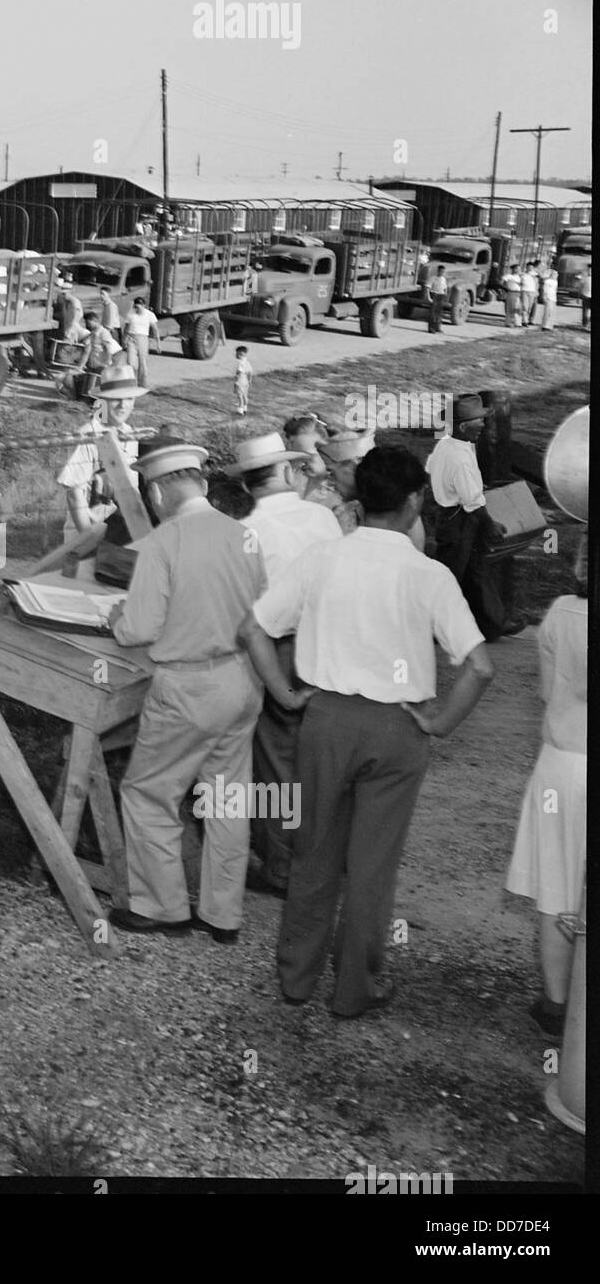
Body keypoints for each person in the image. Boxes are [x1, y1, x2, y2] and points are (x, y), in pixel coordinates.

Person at [239, 446, 494, 1017]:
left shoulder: (322, 559)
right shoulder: (428, 575)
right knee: (373, 865)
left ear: (361, 500)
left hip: (325, 719)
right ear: (411, 503)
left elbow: (253, 629)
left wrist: (284, 694)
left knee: (313, 853)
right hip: (397, 727)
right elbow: (479, 666)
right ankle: (356, 987)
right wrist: (440, 723)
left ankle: (296, 978)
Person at [105, 439, 266, 943]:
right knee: (226, 799)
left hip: (188, 686)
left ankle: (164, 907)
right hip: (241, 677)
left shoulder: (162, 543)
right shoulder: (243, 535)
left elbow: (139, 628)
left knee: (149, 793)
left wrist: (117, 618)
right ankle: (223, 915)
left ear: (156, 491)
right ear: (200, 481)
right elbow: (262, 612)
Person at [231, 433, 343, 898]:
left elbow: (245, 610)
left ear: (245, 486)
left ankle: (281, 865)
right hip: (331, 642)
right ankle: (324, 859)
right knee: (323, 758)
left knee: (277, 761)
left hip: (277, 645)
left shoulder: (247, 531)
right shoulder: (321, 516)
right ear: (283, 472)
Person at [505, 539, 587, 1037]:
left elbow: (543, 692)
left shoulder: (559, 612)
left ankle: (557, 1005)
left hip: (560, 764)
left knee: (557, 887)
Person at [427, 393, 525, 640]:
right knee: (452, 576)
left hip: (450, 515)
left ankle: (494, 624)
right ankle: (434, 629)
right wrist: (490, 524)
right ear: (462, 426)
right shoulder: (459, 457)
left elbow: (430, 470)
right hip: (460, 519)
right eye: (478, 422)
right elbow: (471, 500)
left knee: (475, 570)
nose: (483, 425)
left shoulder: (447, 445)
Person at [54, 364, 147, 532]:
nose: (122, 405)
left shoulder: (130, 435)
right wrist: (86, 539)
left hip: (124, 531)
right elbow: (75, 494)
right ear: (103, 400)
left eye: (129, 399)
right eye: (116, 399)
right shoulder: (89, 435)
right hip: (89, 532)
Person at [320, 429, 426, 553]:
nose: (328, 483)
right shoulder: (334, 507)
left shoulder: (403, 513)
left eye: (331, 474)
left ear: (356, 468)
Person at [122, 295, 161, 390]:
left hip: (143, 339)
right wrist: (124, 340)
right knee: (131, 362)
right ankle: (132, 382)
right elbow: (126, 328)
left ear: (143, 306)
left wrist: (158, 343)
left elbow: (155, 329)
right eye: (135, 307)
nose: (136, 309)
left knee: (142, 363)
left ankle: (142, 384)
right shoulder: (131, 314)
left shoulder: (149, 315)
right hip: (132, 338)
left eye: (138, 307)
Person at [425, 264, 448, 333]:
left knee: (439, 313)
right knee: (433, 313)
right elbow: (427, 288)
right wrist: (429, 297)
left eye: (443, 272)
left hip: (440, 296)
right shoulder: (433, 278)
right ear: (438, 271)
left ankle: (437, 327)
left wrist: (445, 294)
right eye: (441, 271)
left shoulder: (443, 279)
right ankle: (431, 328)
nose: (442, 273)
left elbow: (445, 287)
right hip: (434, 295)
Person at [233, 345, 253, 415]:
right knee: (245, 395)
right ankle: (245, 407)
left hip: (241, 380)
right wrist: (250, 380)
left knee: (239, 395)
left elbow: (238, 373)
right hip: (246, 381)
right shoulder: (247, 362)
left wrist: (236, 381)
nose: (236, 355)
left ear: (241, 354)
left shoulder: (240, 363)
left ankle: (240, 408)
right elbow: (250, 372)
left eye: (237, 353)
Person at [538, 262, 558, 330]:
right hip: (548, 297)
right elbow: (544, 289)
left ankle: (549, 325)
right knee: (547, 312)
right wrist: (544, 297)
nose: (556, 275)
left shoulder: (555, 282)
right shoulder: (547, 281)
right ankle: (544, 325)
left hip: (553, 298)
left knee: (551, 312)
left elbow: (555, 290)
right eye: (554, 274)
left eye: (556, 275)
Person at [580, 264, 591, 330]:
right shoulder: (584, 277)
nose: (590, 271)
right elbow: (580, 287)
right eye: (589, 270)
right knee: (585, 312)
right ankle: (584, 325)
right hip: (585, 296)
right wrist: (578, 297)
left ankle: (588, 325)